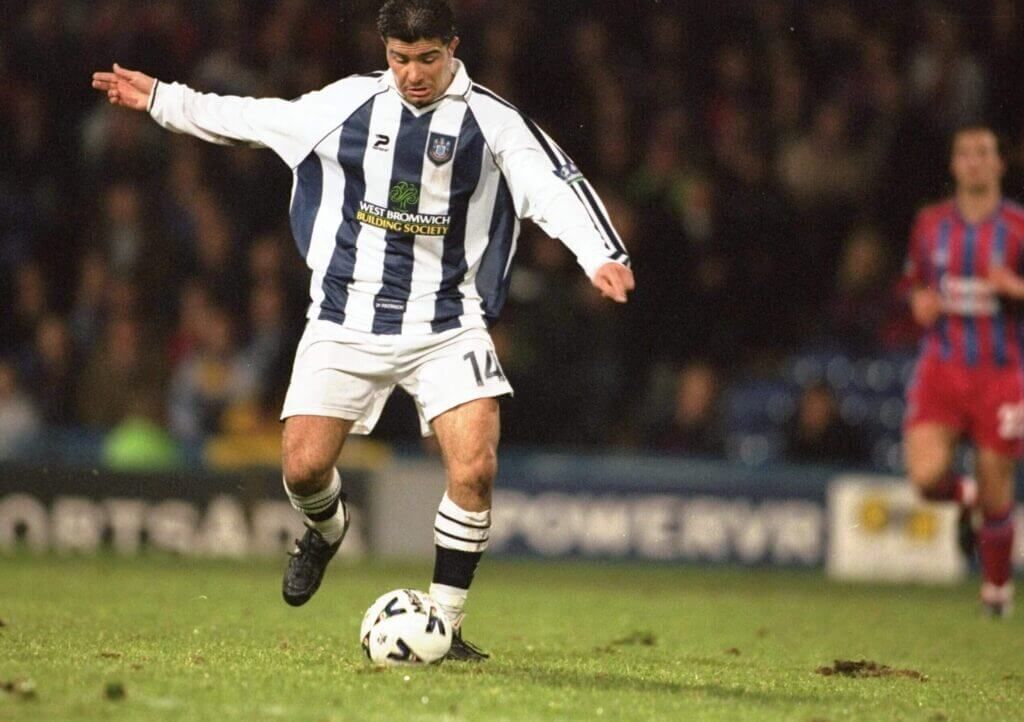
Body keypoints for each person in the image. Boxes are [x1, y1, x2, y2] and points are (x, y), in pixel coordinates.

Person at [91, 0, 634, 659]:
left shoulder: (491, 122)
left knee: (476, 465)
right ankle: (326, 527)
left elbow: (552, 183)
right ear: (385, 53)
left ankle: (448, 626)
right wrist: (160, 99)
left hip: (448, 321)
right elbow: (250, 119)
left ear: (453, 48)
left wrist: (602, 253)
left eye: (428, 58)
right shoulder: (346, 106)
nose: (414, 74)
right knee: (303, 466)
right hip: (346, 317)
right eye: (401, 59)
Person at [903, 125, 1024, 618]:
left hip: (1001, 372)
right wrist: (920, 304)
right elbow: (913, 282)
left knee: (998, 481)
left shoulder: (1017, 227)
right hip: (942, 367)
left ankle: (995, 592)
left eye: (983, 153)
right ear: (954, 165)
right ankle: (965, 496)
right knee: (926, 477)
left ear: (999, 164)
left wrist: (1014, 288)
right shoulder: (931, 225)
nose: (973, 161)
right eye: (964, 154)